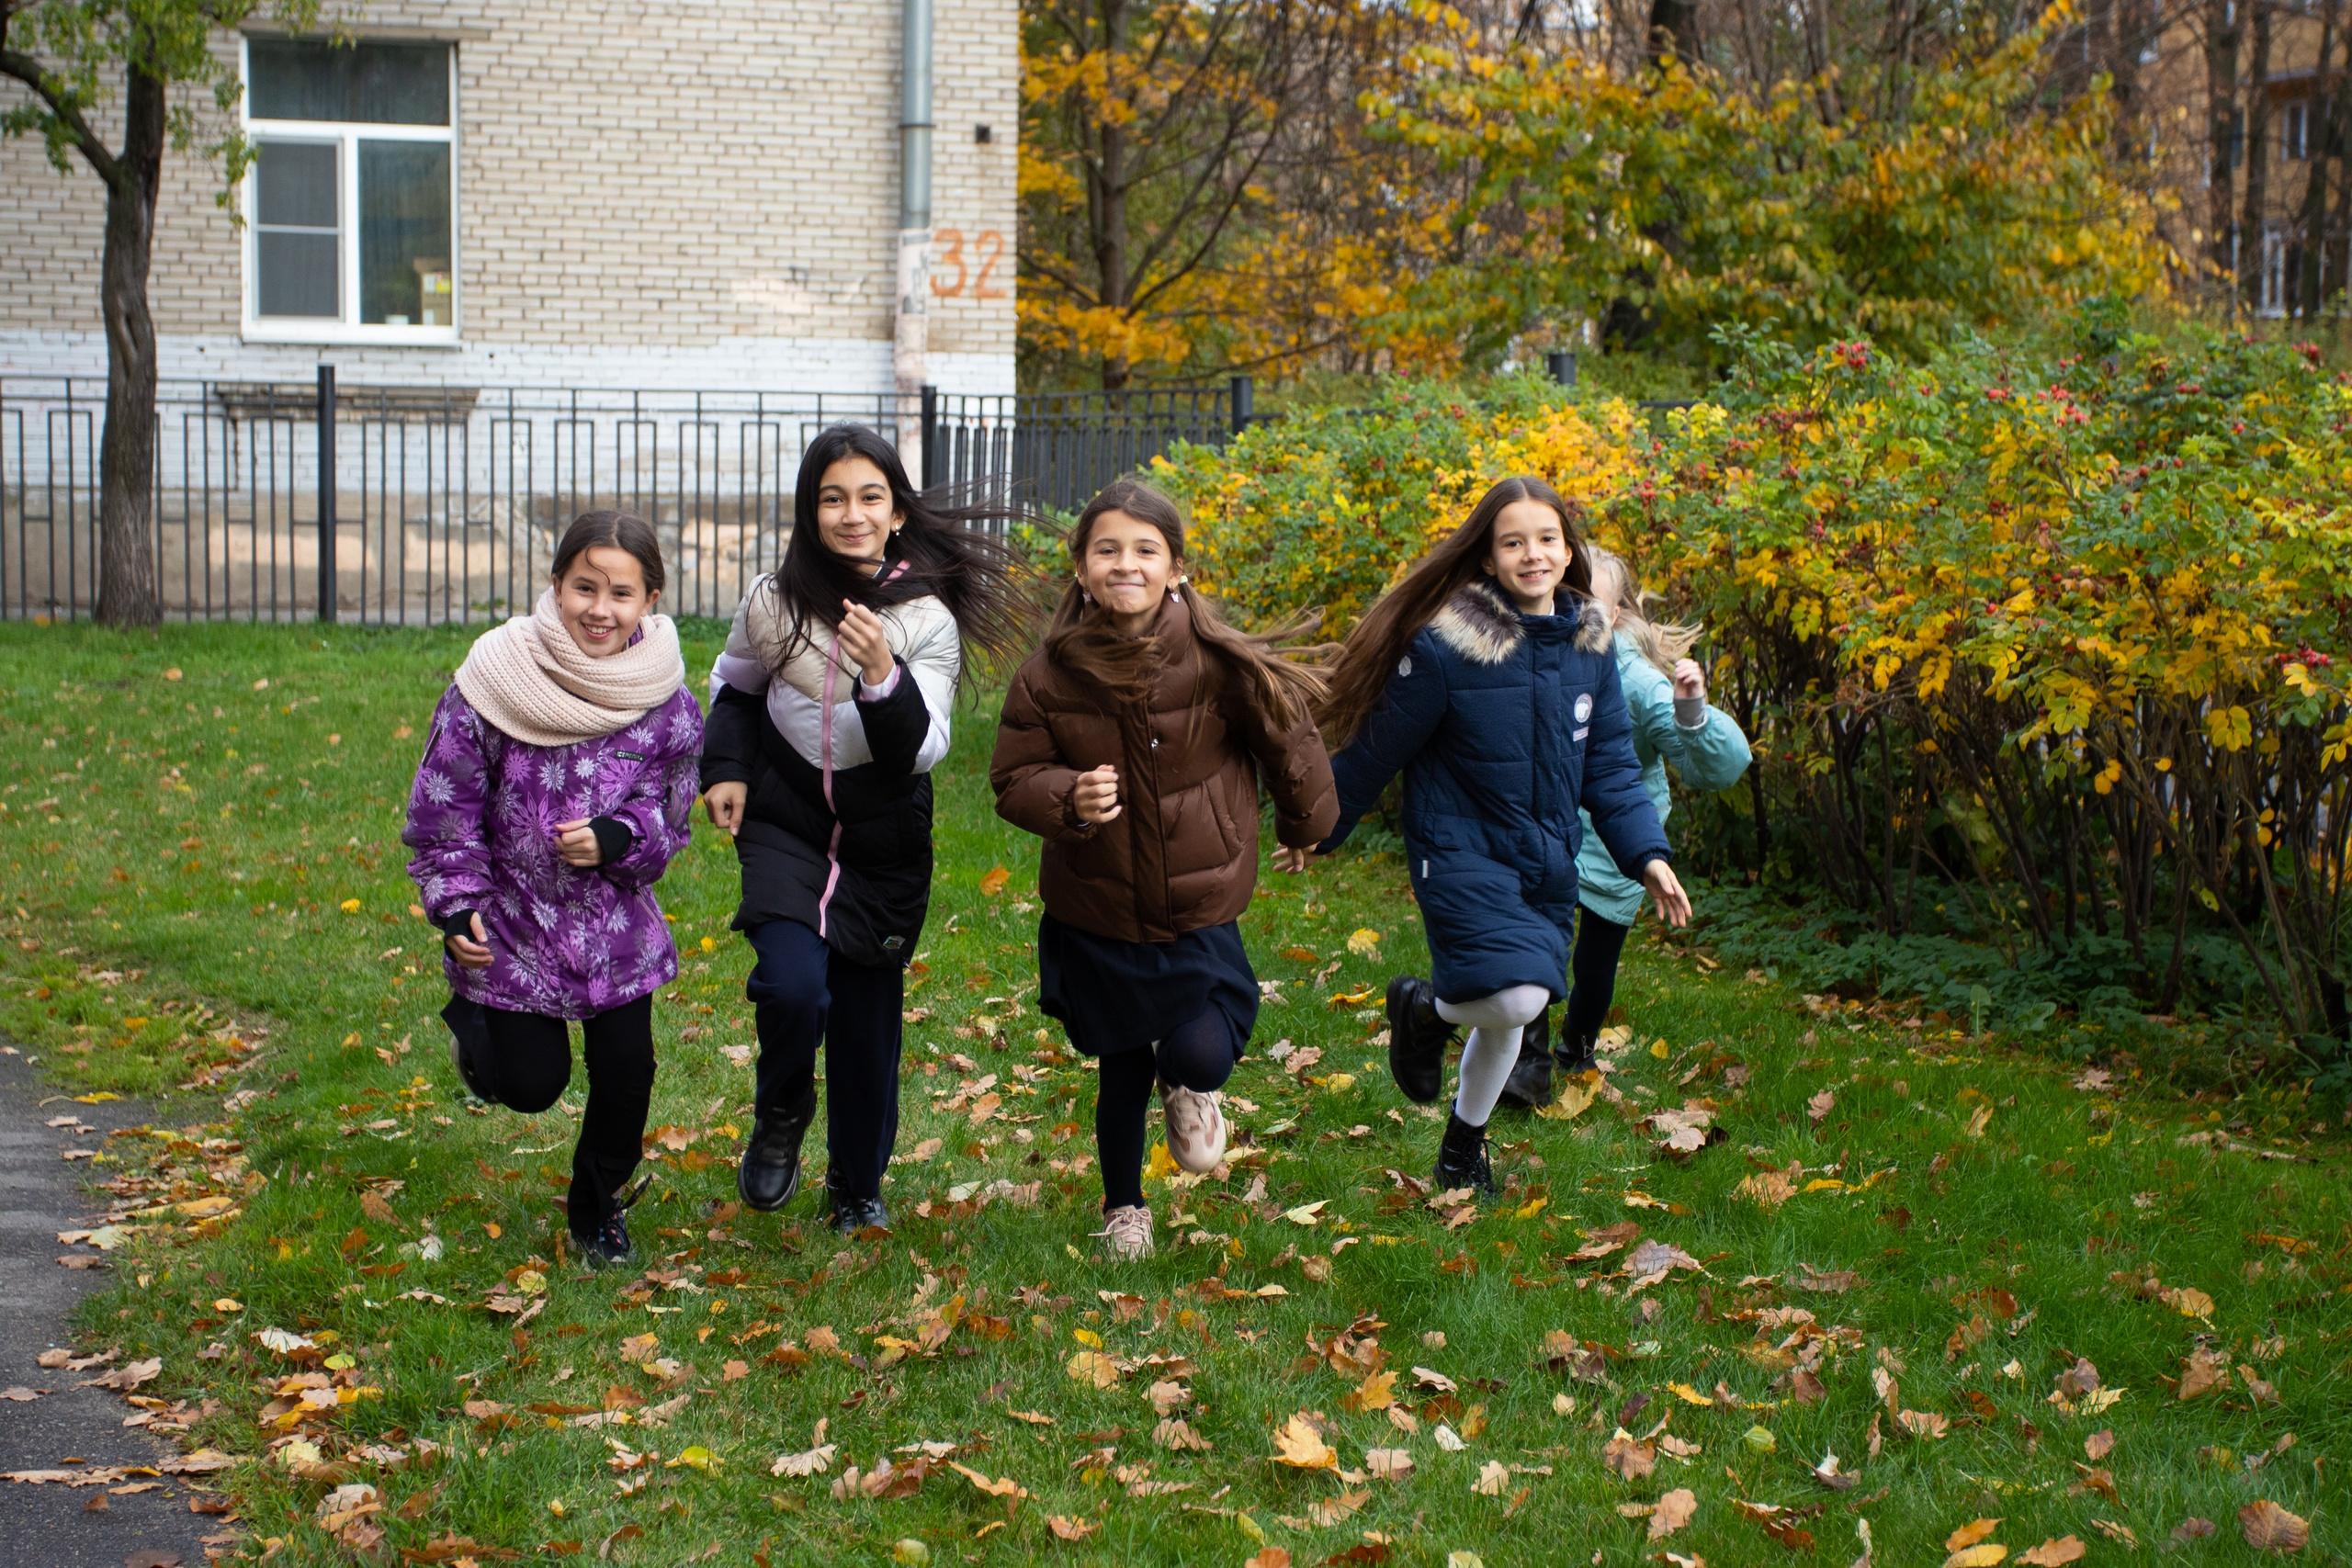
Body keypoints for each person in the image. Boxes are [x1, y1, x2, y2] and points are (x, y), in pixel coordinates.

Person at [1287, 476, 1690, 1195]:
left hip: (1543, 859)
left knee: (1519, 1008)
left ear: (1569, 551)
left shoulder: (1589, 649)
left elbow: (1611, 769)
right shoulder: (1446, 650)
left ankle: (1459, 1154)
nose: (1532, 554)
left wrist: (1648, 855)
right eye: (1512, 542)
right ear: (1486, 557)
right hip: (1459, 851)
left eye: (1546, 539)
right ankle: (1422, 1009)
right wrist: (1316, 824)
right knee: (1515, 999)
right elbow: (1377, 750)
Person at [990, 478, 1336, 1261]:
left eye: (1145, 550)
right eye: (1107, 550)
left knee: (1198, 1050)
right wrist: (1068, 797)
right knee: (1120, 1064)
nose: (1126, 564)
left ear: (1175, 567)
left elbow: (1289, 735)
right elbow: (1012, 778)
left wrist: (1305, 820)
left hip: (1198, 902)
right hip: (1099, 906)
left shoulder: (1217, 662)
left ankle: (1193, 1086)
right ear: (1080, 568)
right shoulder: (1049, 673)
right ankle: (1124, 1208)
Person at [701, 424, 1026, 1235]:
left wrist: (882, 672)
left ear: (897, 511)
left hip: (883, 843)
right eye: (832, 497)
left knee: (865, 1023)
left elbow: (922, 750)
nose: (851, 514)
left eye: (869, 497)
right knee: (790, 982)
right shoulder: (771, 601)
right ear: (810, 511)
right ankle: (780, 1111)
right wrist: (728, 769)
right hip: (787, 823)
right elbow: (734, 692)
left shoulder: (925, 620)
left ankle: (856, 1187)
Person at [404, 511, 703, 1268]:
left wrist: (619, 838)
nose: (600, 609)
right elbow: (446, 805)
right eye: (584, 587)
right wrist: (459, 905)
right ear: (557, 584)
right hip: (511, 925)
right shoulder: (494, 676)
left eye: (621, 593)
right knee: (533, 1083)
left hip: (614, 933)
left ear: (651, 598)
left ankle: (595, 1206)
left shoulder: (665, 699)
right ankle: (479, 1041)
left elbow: (673, 819)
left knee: (628, 1072)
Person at [1498, 546, 1752, 1108]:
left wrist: (1691, 711)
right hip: (1550, 830)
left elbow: (1723, 762)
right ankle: (1526, 1062)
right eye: (1568, 593)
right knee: (1535, 943)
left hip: (1618, 838)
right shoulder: (1530, 649)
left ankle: (1577, 1048)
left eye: (1592, 602)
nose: (1573, 608)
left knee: (1594, 965)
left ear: (1614, 616)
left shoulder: (1633, 678)